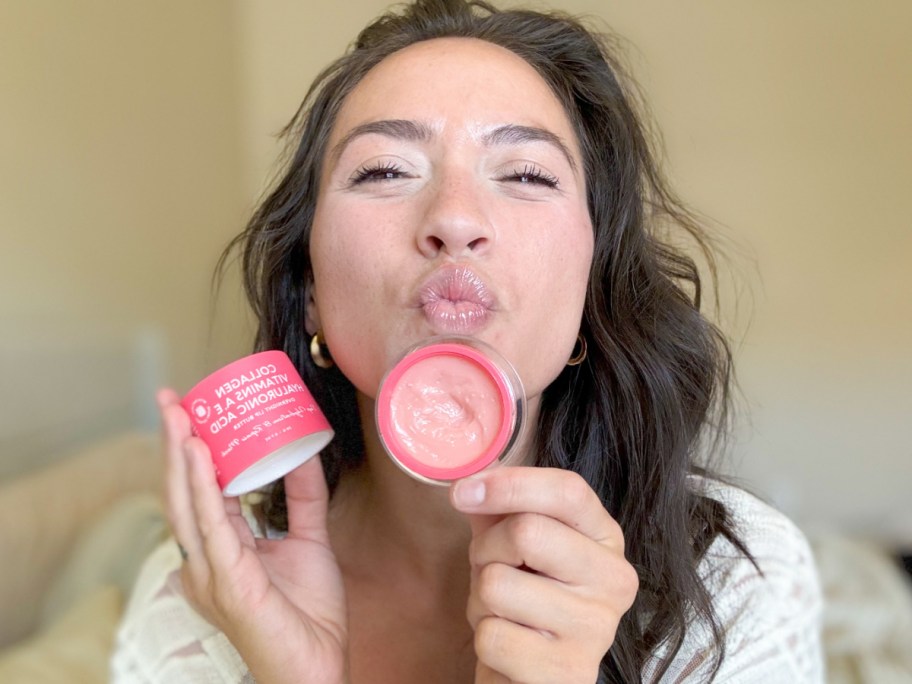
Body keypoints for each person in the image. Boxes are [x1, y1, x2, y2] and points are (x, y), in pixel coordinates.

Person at [111, 0, 823, 682]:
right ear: (312, 295)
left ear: (590, 287)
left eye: (525, 174)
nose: (455, 218)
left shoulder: (736, 584)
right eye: (386, 170)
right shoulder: (208, 599)